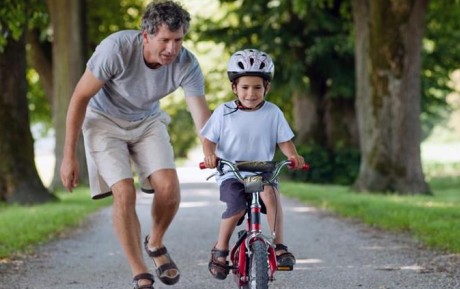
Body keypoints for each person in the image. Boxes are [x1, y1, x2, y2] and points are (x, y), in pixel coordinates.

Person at [59, 1, 210, 288]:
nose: (171, 49)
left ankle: (155, 242)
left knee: (168, 188)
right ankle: (140, 271)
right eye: (164, 40)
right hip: (104, 121)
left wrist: (211, 150)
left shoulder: (186, 63)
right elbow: (79, 98)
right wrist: (69, 156)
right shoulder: (116, 49)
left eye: (178, 40)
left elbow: (201, 116)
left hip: (147, 121)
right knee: (124, 193)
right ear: (146, 35)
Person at [201, 49, 305, 280]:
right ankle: (221, 249)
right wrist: (210, 155)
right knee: (236, 207)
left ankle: (279, 246)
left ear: (266, 88)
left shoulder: (273, 112)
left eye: (257, 87)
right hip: (232, 172)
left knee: (270, 193)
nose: (251, 93)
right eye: (245, 87)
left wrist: (294, 156)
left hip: (261, 170)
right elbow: (208, 139)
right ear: (234, 88)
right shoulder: (224, 112)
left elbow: (284, 142)